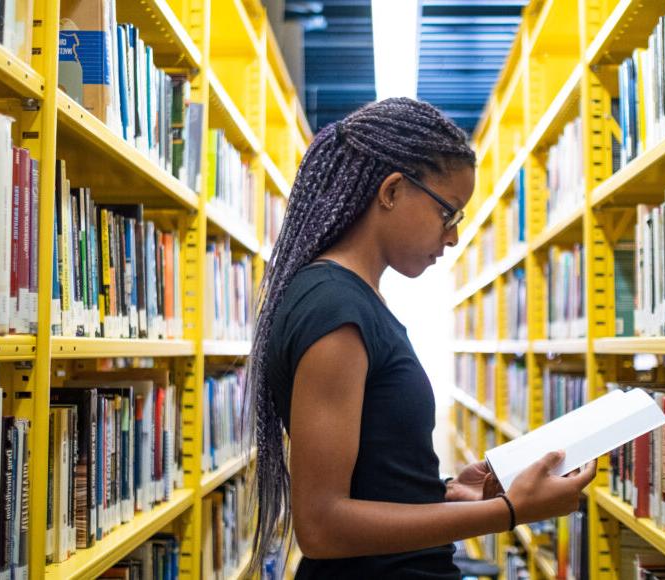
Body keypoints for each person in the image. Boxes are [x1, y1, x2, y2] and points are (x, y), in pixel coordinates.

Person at [245, 97, 596, 578]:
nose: (452, 238)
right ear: (391, 191)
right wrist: (509, 512)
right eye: (448, 214)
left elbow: (371, 477)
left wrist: (446, 492)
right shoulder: (335, 310)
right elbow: (321, 525)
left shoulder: (354, 299)